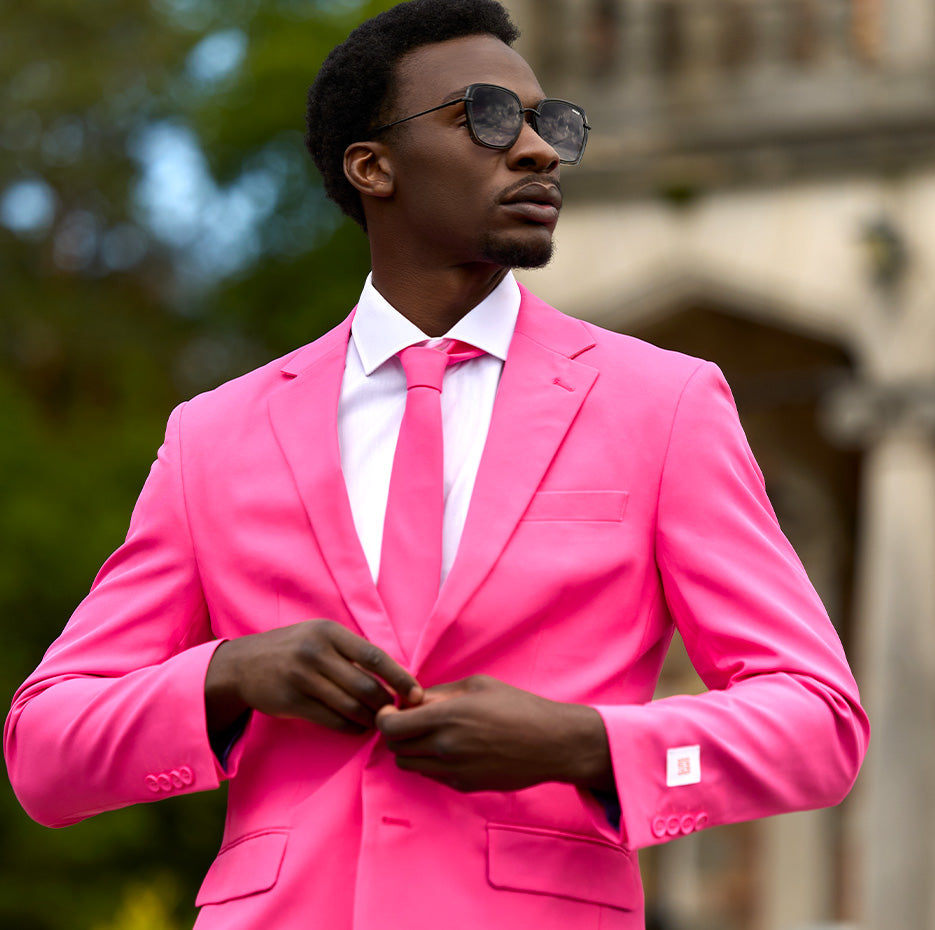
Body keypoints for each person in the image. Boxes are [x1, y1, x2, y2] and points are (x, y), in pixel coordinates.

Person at [4, 1, 868, 928]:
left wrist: (586, 744)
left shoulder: (662, 404)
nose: (536, 149)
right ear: (372, 166)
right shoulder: (215, 434)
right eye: (487, 117)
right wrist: (226, 675)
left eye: (549, 123)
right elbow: (46, 754)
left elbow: (816, 725)